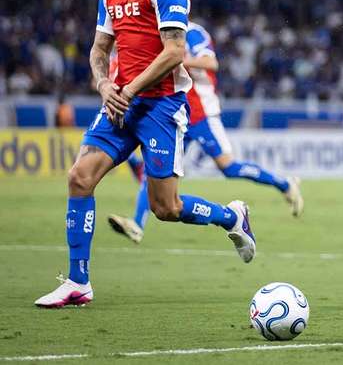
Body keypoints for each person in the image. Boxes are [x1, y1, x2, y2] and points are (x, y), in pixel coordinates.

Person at [35, 0, 256, 308]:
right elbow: (99, 49)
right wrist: (104, 85)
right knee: (80, 177)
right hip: (120, 101)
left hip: (159, 106)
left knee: (165, 208)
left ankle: (231, 217)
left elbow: (174, 52)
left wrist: (128, 89)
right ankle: (78, 282)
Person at [107, 21, 303, 243]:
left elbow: (212, 63)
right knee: (156, 169)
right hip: (175, 114)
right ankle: (137, 224)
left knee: (227, 167)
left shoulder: (192, 32)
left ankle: (284, 184)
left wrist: (178, 59)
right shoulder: (157, 35)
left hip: (202, 114)